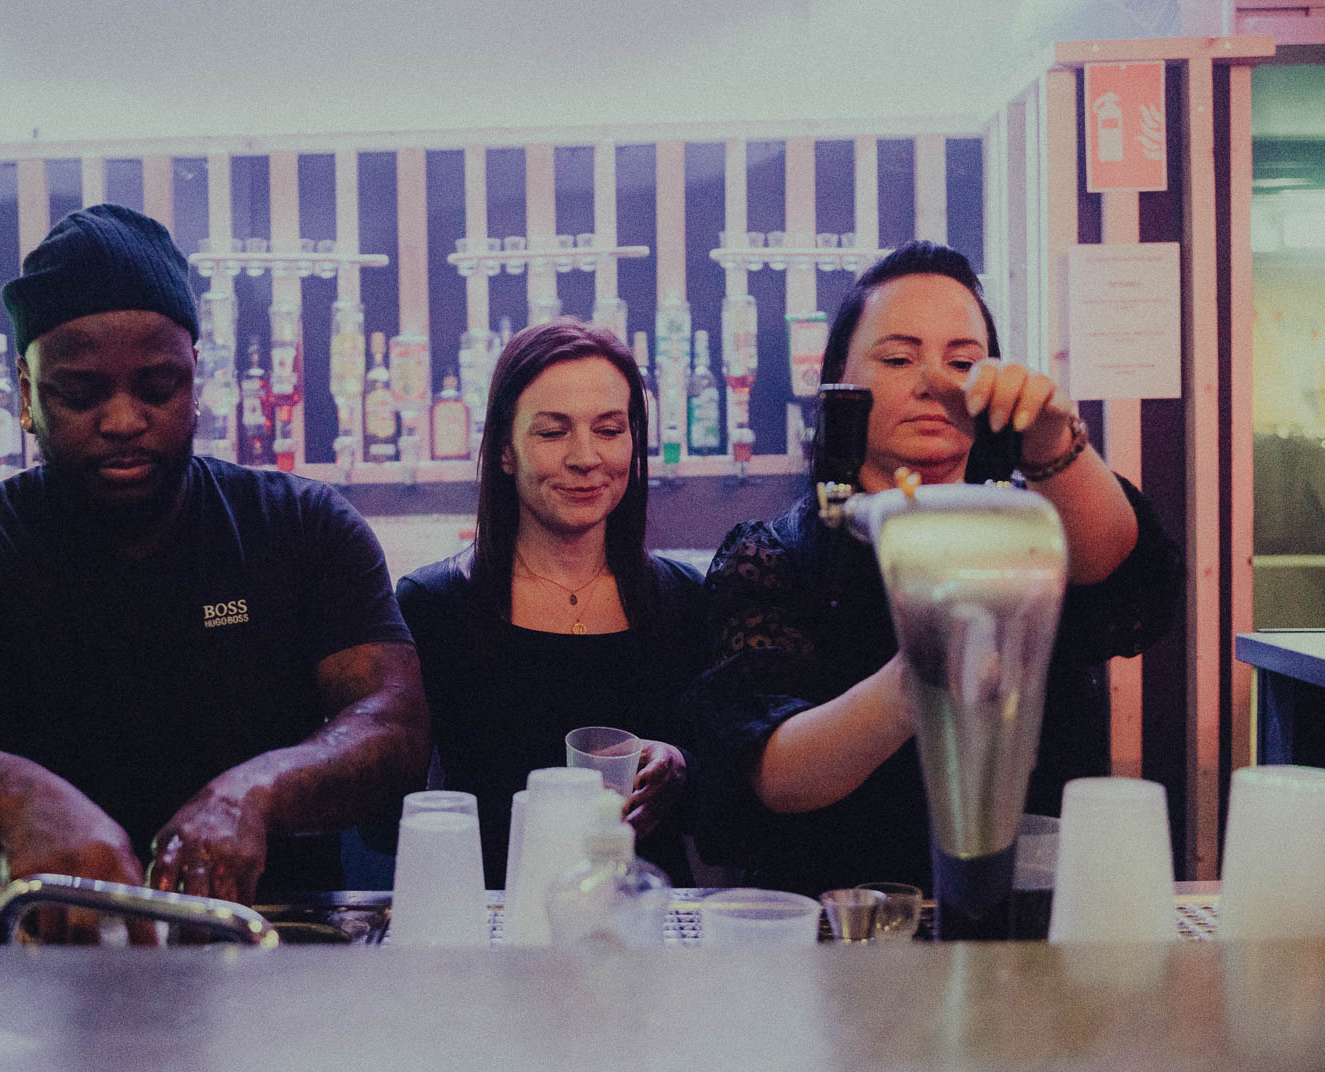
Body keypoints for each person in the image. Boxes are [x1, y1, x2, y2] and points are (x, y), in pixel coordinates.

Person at [0, 204, 429, 936]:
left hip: (276, 940)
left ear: (196, 379)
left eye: (158, 387)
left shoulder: (302, 527)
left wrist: (256, 793)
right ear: (27, 395)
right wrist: (23, 799)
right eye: (80, 393)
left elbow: (395, 720)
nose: (124, 421)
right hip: (59, 949)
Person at [686, 241, 1182, 899]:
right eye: (897, 359)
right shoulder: (773, 555)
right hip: (837, 925)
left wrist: (1051, 440)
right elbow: (772, 770)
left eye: (964, 362)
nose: (934, 383)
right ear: (839, 385)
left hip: (1025, 916)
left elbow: (1127, 583)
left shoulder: (1030, 525)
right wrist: (921, 672)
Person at [395, 320, 708, 888]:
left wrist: (680, 767)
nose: (586, 457)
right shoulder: (435, 606)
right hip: (497, 915)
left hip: (645, 915)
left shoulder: (683, 600)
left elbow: (730, 807)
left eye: (609, 430)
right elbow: (389, 819)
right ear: (505, 451)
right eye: (552, 432)